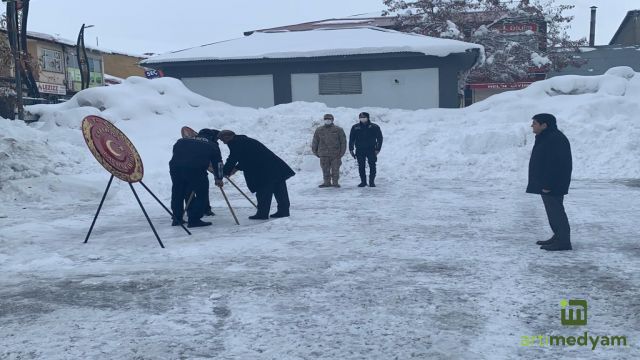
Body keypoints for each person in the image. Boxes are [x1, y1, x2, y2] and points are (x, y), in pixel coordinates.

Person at [218, 130, 295, 220]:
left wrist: (225, 171)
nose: (223, 143)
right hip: (275, 166)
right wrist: (236, 168)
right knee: (279, 189)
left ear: (228, 137)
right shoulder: (244, 140)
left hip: (264, 170)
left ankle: (262, 214)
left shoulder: (235, 143)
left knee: (263, 190)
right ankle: (283, 211)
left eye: (223, 140)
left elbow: (233, 158)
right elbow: (247, 157)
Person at [527, 113, 573, 251]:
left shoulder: (554, 139)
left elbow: (555, 164)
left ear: (544, 125)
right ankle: (559, 236)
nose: (532, 126)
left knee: (556, 212)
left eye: (535, 123)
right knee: (553, 211)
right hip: (549, 183)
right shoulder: (547, 137)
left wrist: (548, 184)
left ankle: (563, 241)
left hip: (552, 184)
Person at [169, 128, 224, 228]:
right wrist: (219, 178)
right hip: (196, 170)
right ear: (211, 137)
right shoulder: (212, 145)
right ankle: (194, 220)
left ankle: (177, 219)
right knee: (201, 193)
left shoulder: (181, 141)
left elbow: (176, 153)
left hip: (175, 168)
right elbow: (218, 164)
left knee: (178, 192)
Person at [311, 113, 347, 188]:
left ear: (332, 120)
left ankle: (335, 183)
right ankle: (326, 183)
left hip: (335, 154)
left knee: (335, 170)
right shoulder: (319, 130)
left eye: (329, 119)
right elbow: (315, 141)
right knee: (325, 169)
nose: (327, 120)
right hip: (323, 154)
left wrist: (341, 153)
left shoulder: (338, 130)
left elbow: (343, 142)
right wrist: (315, 152)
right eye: (326, 119)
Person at [348, 112, 383, 187]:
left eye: (364, 117)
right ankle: (363, 182)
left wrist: (378, 149)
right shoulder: (355, 127)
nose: (362, 119)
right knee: (361, 166)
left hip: (371, 150)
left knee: (372, 165)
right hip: (360, 150)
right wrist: (351, 149)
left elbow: (380, 138)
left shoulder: (374, 127)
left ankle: (371, 182)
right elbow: (351, 139)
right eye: (361, 117)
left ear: (368, 118)